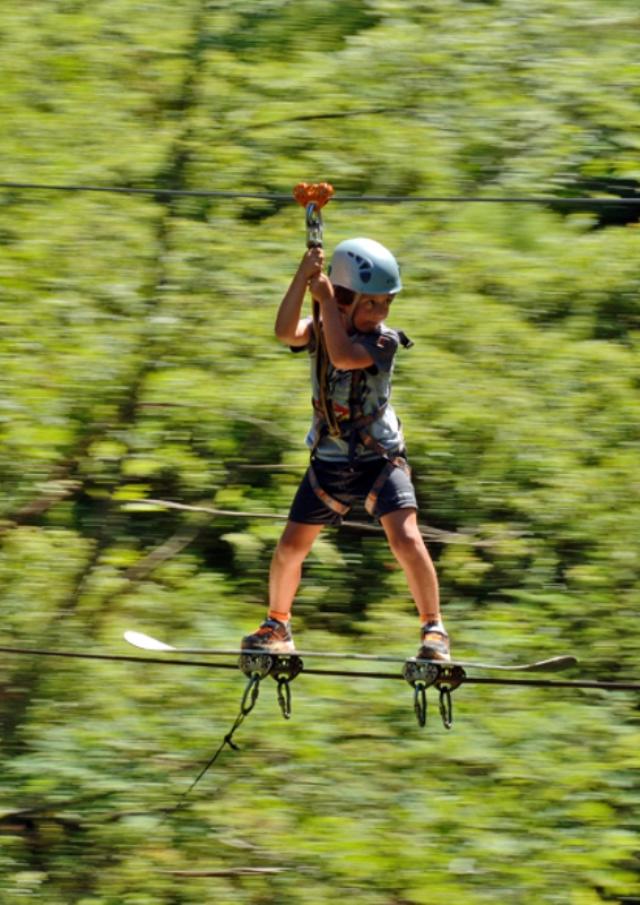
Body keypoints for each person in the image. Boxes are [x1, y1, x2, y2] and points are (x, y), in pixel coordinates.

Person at [242, 237, 450, 661]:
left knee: (406, 537)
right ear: (344, 301)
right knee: (289, 547)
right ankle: (277, 624)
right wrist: (304, 279)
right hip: (331, 460)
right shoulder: (322, 325)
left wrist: (326, 305)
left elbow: (341, 356)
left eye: (385, 304)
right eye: (371, 304)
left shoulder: (383, 343)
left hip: (379, 458)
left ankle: (434, 629)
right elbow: (285, 331)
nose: (380, 315)